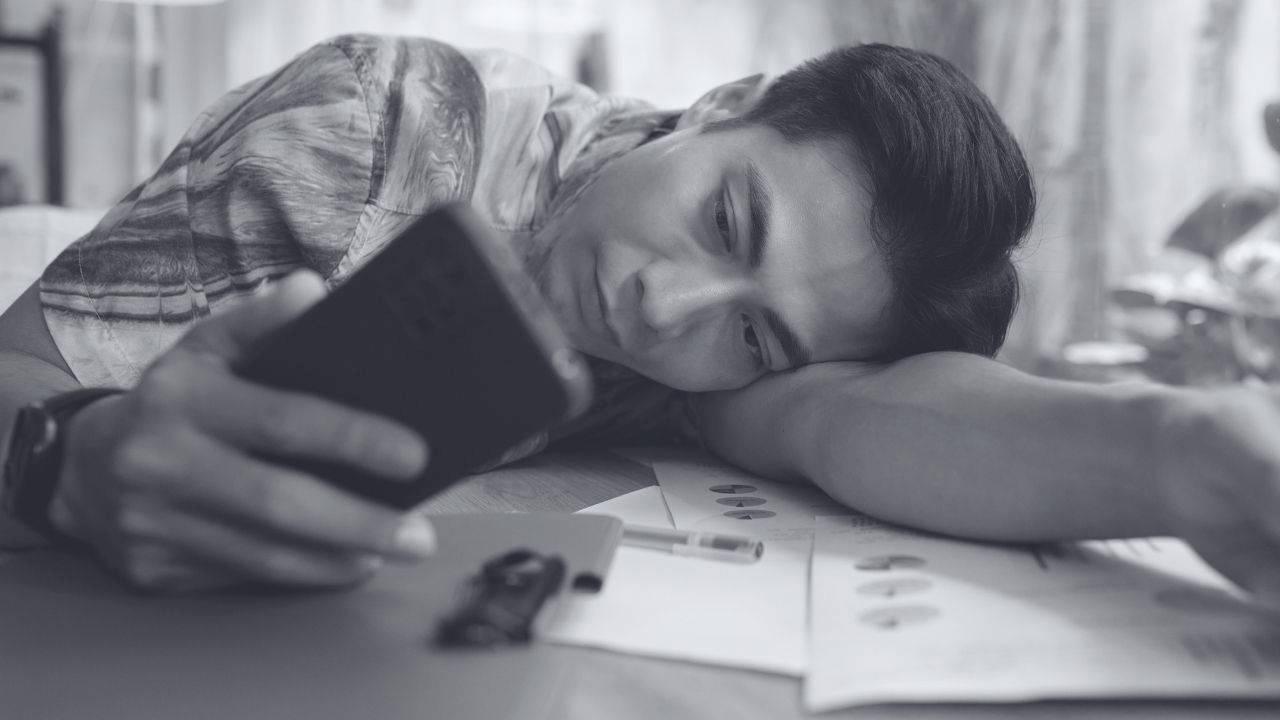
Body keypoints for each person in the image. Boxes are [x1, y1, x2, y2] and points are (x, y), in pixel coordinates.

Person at [1, 35, 1278, 605]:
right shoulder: (368, 125)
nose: (664, 311)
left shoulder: (715, 365)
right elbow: (15, 367)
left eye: (754, 339)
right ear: (724, 103)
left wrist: (1181, 448)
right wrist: (68, 461)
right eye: (727, 221)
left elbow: (860, 418)